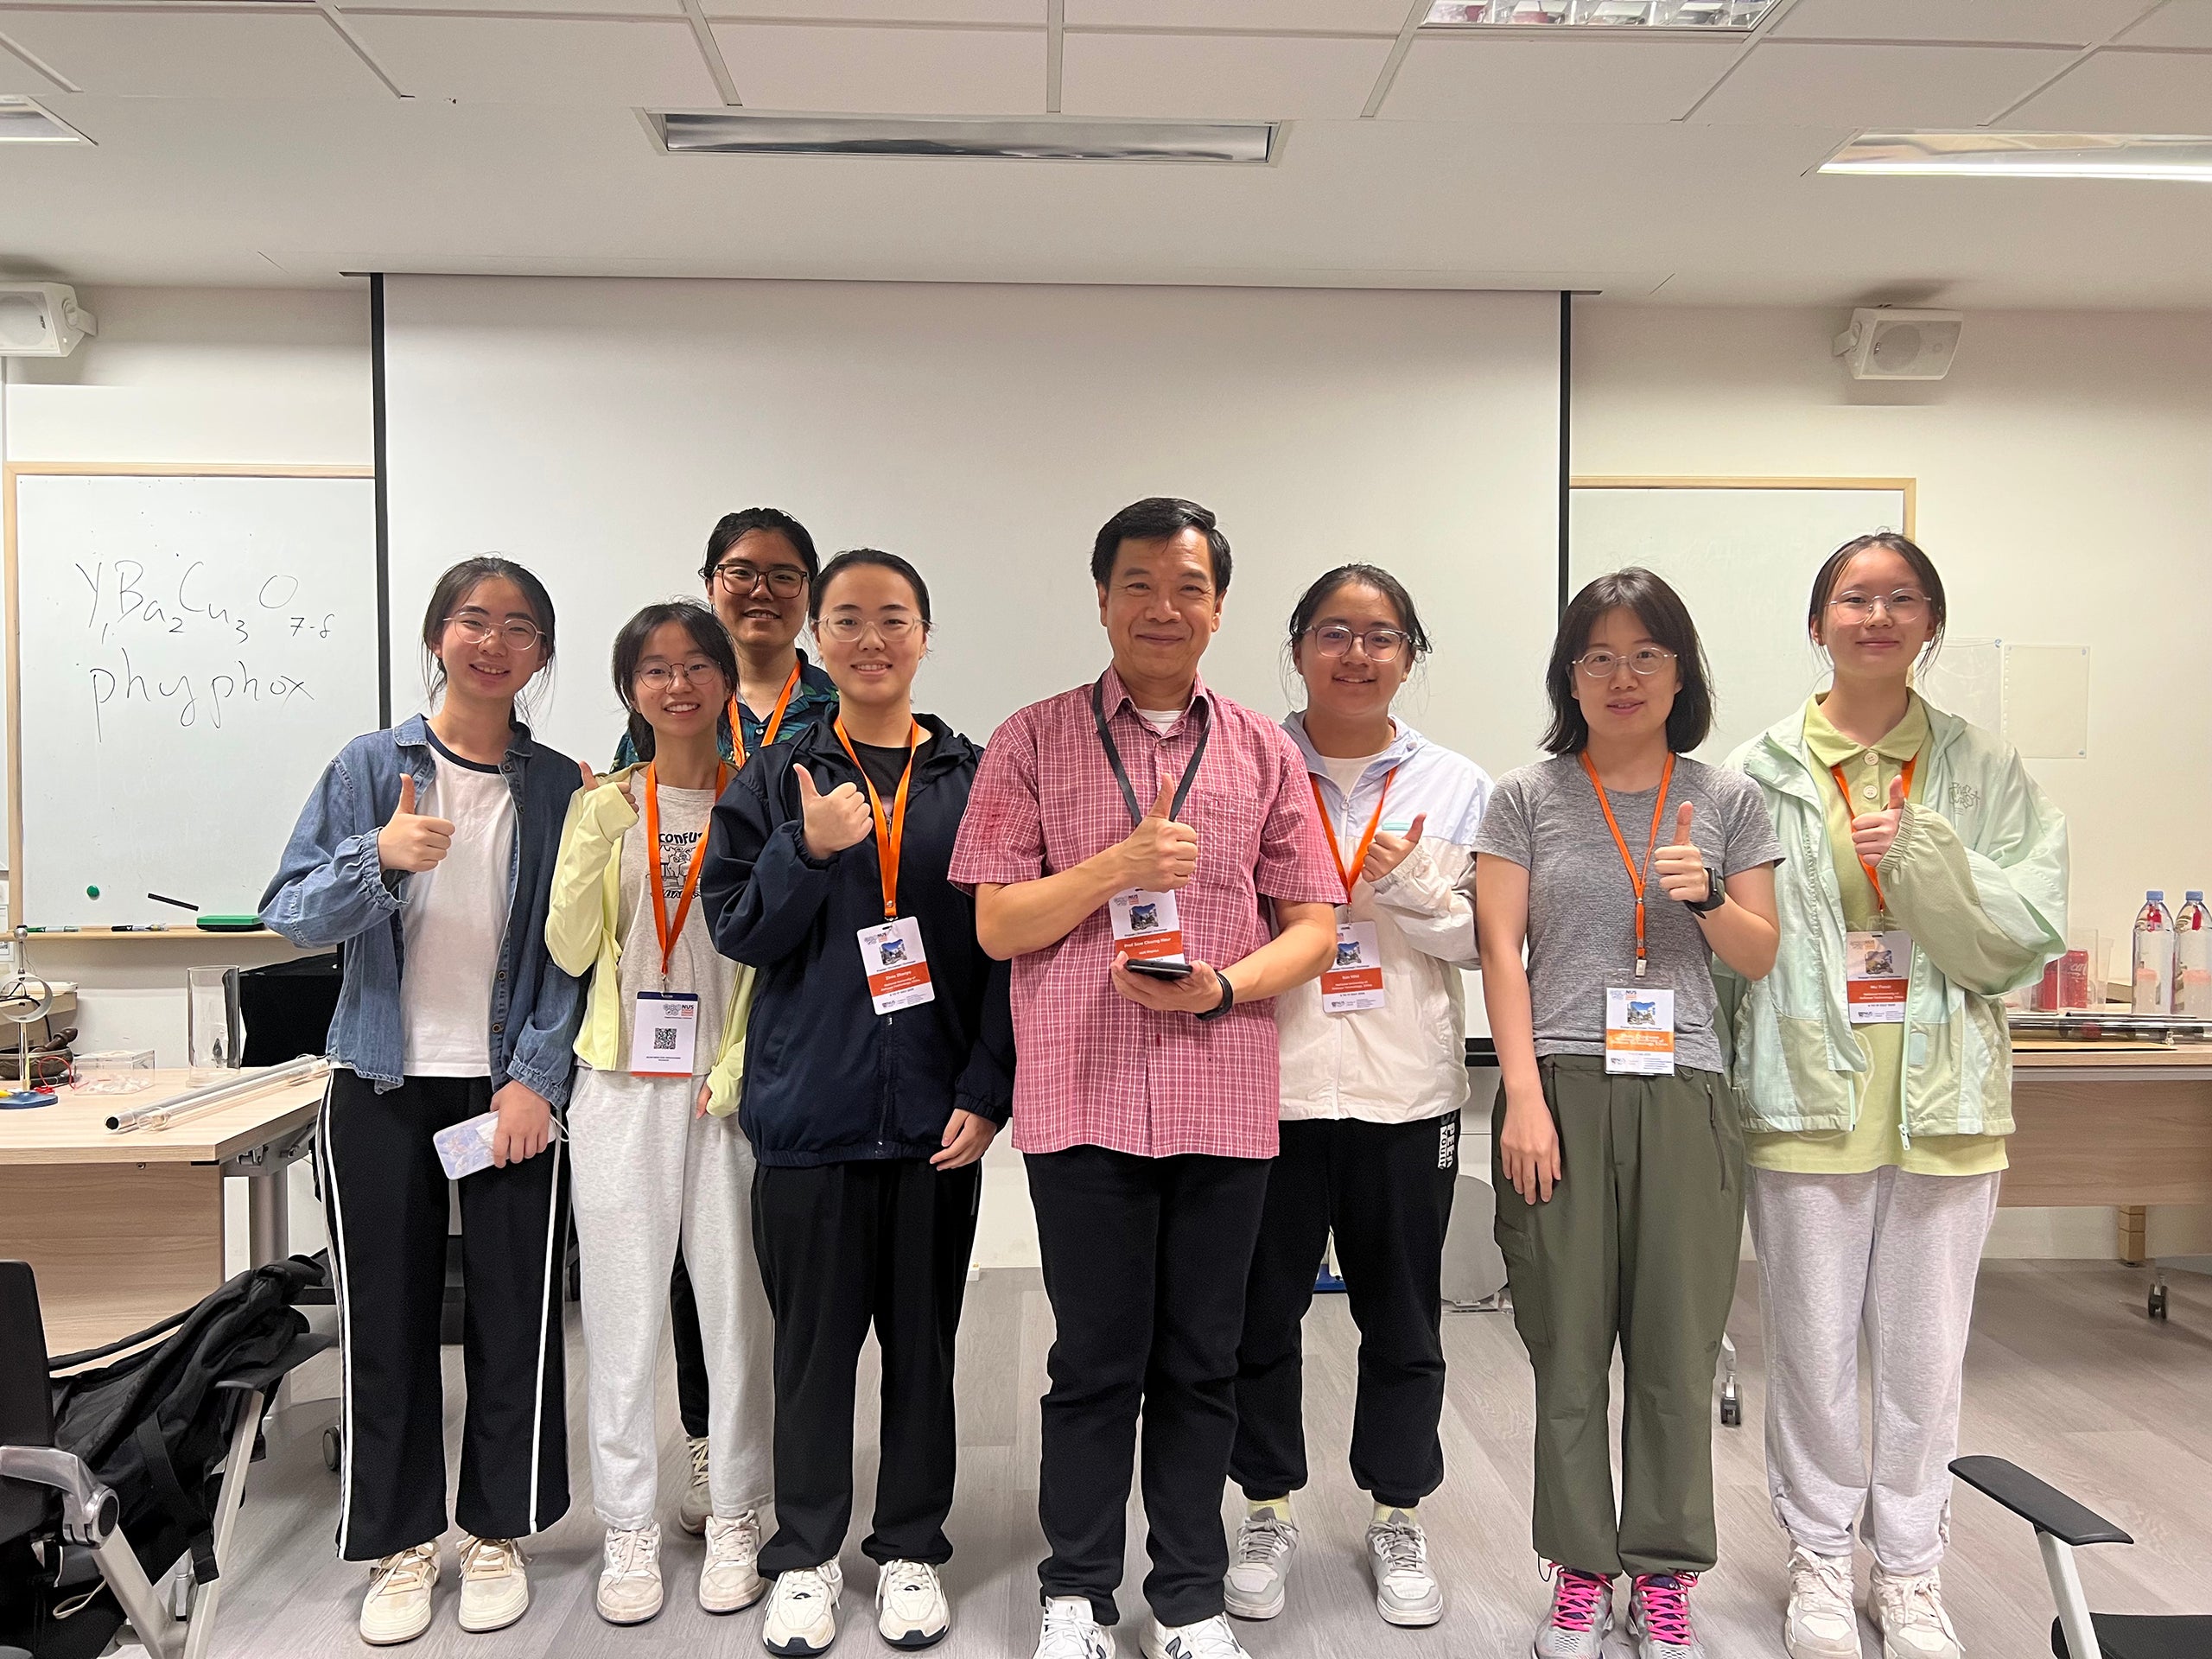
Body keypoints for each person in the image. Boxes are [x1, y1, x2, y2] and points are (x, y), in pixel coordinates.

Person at [949, 498, 1343, 1659]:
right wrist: (1116, 867)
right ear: (1102, 599)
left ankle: (1188, 1599)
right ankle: (1076, 1591)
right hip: (1082, 1097)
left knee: (1201, 1364)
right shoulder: (1032, 739)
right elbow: (998, 924)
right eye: (1138, 585)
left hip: (1223, 1100)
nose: (1163, 608)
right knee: (1093, 1362)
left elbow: (1315, 928)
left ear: (1218, 609)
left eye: (1188, 587)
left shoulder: (1264, 750)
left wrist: (1223, 988)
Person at [1720, 535, 2066, 1659]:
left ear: (1930, 623)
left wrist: (1924, 857)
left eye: (1901, 599)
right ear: (1816, 622)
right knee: (1811, 1354)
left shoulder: (1983, 770)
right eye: (1854, 598)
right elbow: (1732, 949)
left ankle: (1910, 1571)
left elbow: (2018, 940)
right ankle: (1820, 1558)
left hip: (1946, 1105)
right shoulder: (1756, 771)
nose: (1877, 616)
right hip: (1802, 1096)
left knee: (1924, 1362)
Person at [260, 556, 583, 1647]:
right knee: (386, 1321)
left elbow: (570, 954)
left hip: (508, 1092)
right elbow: (290, 911)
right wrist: (378, 857)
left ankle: (497, 1532)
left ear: (542, 653)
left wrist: (537, 1079)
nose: (494, 642)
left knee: (516, 1313)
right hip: (383, 1081)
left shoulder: (560, 786)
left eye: (519, 627)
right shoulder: (370, 766)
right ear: (438, 635)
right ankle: (400, 1544)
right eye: (473, 620)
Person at [702, 550, 1012, 1657]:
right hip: (810, 1120)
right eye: (846, 620)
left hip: (937, 1121)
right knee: (812, 1356)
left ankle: (913, 1548)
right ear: (817, 640)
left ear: (925, 635)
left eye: (892, 618)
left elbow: (1007, 954)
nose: (870, 640)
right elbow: (737, 930)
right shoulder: (773, 776)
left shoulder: (977, 778)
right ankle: (805, 1557)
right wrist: (806, 846)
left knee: (924, 1351)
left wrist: (988, 1089)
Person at [1473, 568, 1782, 1659]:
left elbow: (1760, 953)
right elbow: (1498, 953)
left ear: (1680, 672)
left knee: (1675, 1353)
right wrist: (1520, 1096)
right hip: (1557, 1089)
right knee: (1565, 1347)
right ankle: (1577, 1571)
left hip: (1684, 1093)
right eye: (1597, 656)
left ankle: (1662, 1574)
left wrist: (1706, 894)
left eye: (1645, 654)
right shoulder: (1523, 797)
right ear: (1569, 676)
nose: (1621, 676)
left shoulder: (1728, 799)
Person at [1224, 564, 1492, 1633]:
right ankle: (1265, 1509)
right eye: (1333, 632)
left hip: (1405, 1093)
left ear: (1409, 655)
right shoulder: (1247, 760)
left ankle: (1397, 1512)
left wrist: (1411, 887)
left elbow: (1487, 944)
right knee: (1260, 1319)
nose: (1357, 653)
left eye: (1381, 635)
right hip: (1270, 1089)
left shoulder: (1458, 785)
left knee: (1404, 1319)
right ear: (1297, 648)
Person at [547, 600, 775, 1626]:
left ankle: (735, 1511)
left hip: (725, 1091)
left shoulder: (756, 800)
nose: (676, 684)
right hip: (621, 1082)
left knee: (735, 1315)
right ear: (629, 689)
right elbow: (566, 949)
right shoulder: (602, 806)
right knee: (624, 1315)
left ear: (727, 681)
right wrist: (594, 836)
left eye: (695, 666)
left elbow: (772, 958)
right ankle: (629, 1526)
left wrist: (737, 1064)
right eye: (653, 669)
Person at [613, 506, 838, 1535]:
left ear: (808, 594)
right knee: (693, 1259)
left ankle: (789, 1446)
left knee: (785, 1253)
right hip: (689, 1008)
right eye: (741, 572)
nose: (762, 591)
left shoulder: (835, 709)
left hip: (802, 1004)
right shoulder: (665, 703)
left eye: (785, 575)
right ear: (710, 583)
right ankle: (710, 1445)